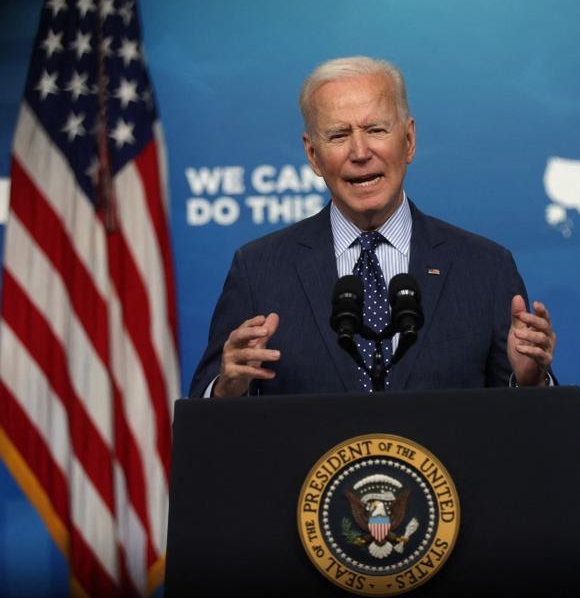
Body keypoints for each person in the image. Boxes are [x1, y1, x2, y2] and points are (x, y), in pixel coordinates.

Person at [188, 56, 556, 398]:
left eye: (376, 129)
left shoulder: (485, 269)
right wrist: (226, 389)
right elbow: (207, 420)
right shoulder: (260, 270)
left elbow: (527, 435)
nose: (360, 152)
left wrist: (529, 382)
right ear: (313, 155)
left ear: (408, 141)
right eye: (338, 135)